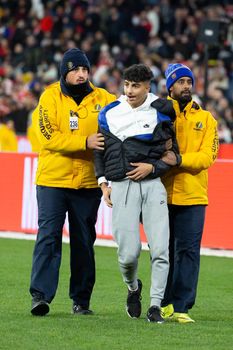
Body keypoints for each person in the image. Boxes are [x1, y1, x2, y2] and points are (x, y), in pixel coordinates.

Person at [29, 48, 116, 316]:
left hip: (88, 183)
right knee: (48, 237)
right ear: (64, 72)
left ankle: (81, 301)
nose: (81, 74)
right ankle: (40, 297)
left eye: (84, 70)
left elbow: (125, 121)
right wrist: (85, 142)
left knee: (83, 242)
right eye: (75, 70)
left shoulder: (105, 99)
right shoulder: (49, 97)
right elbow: (48, 137)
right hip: (53, 181)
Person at [94, 64, 180, 323]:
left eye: (136, 86)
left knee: (160, 249)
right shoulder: (110, 112)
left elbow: (173, 153)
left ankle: (155, 306)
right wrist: (103, 183)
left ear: (147, 87)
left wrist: (153, 167)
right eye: (127, 85)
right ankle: (133, 288)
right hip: (121, 186)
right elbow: (99, 149)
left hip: (153, 184)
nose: (130, 91)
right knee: (128, 254)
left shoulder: (162, 110)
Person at [161, 63, 219, 323]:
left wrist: (179, 159)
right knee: (162, 251)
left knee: (188, 251)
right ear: (170, 86)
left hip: (194, 196)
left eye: (188, 81)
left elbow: (209, 156)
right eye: (180, 82)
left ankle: (182, 305)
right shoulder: (158, 113)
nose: (186, 86)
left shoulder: (206, 119)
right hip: (160, 194)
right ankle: (162, 303)